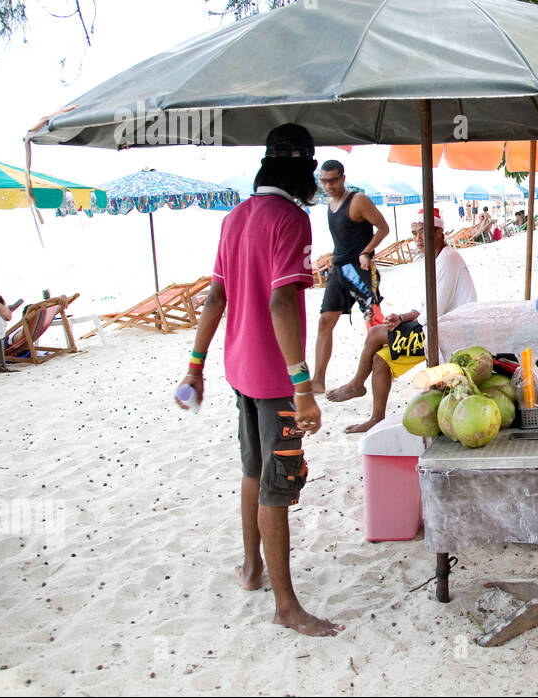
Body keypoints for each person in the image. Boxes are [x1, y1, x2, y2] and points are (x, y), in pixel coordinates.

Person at [176, 123, 342, 637]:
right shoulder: (292, 221)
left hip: (237, 370)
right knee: (278, 484)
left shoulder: (235, 217)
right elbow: (279, 303)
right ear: (302, 170)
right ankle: (287, 606)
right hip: (274, 380)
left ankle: (251, 570)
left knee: (252, 469)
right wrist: (302, 385)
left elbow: (214, 299)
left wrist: (194, 368)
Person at [327, 208, 477, 433]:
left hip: (447, 332)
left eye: (421, 233)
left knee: (374, 334)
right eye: (414, 233)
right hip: (435, 326)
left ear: (438, 232)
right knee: (380, 360)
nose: (417, 239)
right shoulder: (435, 259)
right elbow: (422, 307)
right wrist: (400, 319)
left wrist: (404, 326)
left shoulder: (448, 259)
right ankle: (376, 418)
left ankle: (357, 384)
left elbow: (434, 311)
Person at [310, 160, 390, 393]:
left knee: (374, 323)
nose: (328, 185)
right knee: (325, 322)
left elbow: (383, 228)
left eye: (333, 180)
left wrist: (366, 252)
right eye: (324, 181)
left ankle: (382, 370)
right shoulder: (330, 205)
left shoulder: (358, 201)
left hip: (361, 271)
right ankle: (318, 380)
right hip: (340, 271)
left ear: (343, 178)